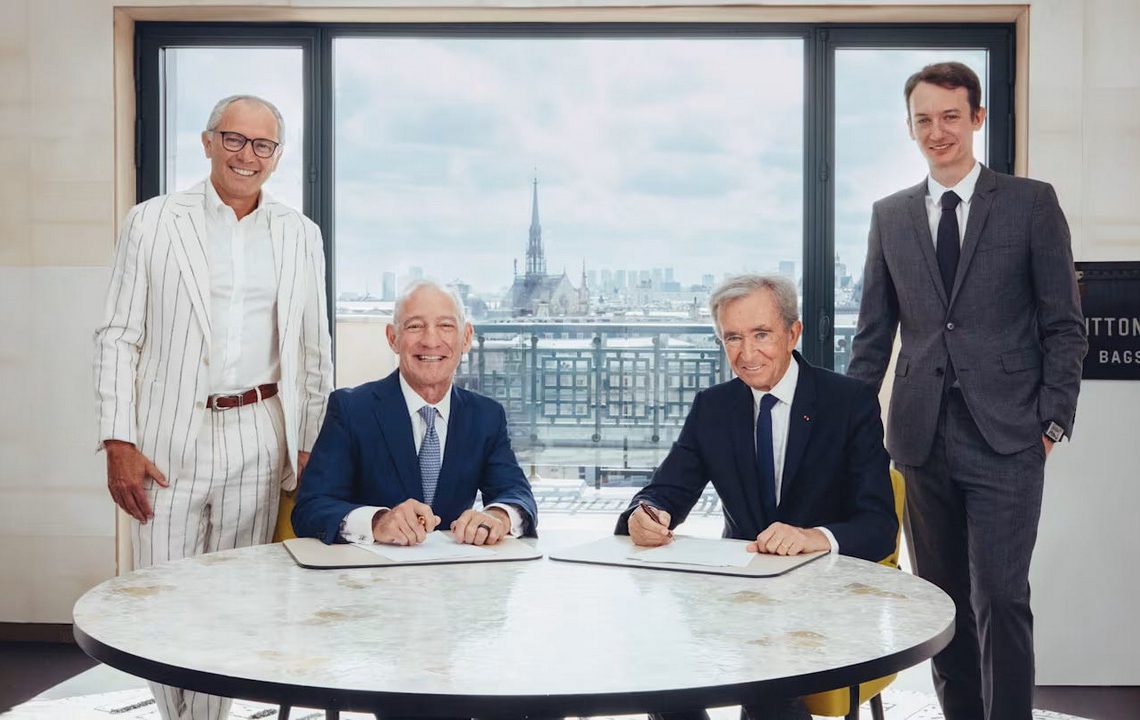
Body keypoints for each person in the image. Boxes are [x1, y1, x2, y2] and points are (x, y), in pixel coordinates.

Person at [847, 62, 1087, 720]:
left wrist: (1052, 424)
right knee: (942, 604)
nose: (937, 131)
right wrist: (848, 433)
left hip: (1008, 437)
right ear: (909, 127)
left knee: (1001, 599)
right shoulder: (890, 216)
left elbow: (1064, 326)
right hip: (920, 440)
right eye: (923, 119)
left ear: (977, 118)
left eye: (950, 116)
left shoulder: (1030, 204)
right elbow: (873, 338)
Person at [94, 94, 333, 720]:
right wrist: (118, 440)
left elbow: (314, 352)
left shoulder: (301, 235)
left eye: (262, 145)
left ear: (277, 156)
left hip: (258, 434)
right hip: (164, 439)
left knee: (232, 600)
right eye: (234, 139)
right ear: (207, 143)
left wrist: (311, 446)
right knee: (162, 595)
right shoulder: (152, 222)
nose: (247, 155)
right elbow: (118, 336)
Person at [617, 273, 897, 720]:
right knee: (659, 669)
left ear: (793, 333)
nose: (747, 355)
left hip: (824, 594)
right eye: (733, 338)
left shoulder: (849, 402)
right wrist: (645, 514)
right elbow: (665, 491)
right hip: (740, 595)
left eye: (761, 334)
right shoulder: (713, 407)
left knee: (768, 677)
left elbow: (879, 527)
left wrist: (813, 536)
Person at [292, 280, 537, 546]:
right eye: (415, 326)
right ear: (392, 338)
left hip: (456, 569)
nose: (430, 341)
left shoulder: (486, 416)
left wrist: (498, 516)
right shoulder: (350, 409)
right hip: (370, 569)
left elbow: (516, 493)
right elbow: (310, 508)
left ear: (466, 337)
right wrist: (377, 522)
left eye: (445, 326)